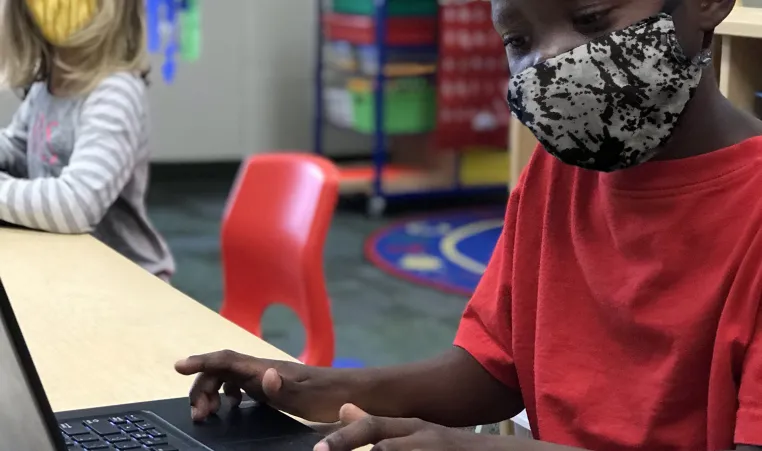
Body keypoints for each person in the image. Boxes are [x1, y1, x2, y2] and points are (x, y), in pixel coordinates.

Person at [175, 0, 762, 450]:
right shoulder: (557, 174)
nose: (550, 61)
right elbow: (492, 369)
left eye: (589, 16)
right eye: (518, 39)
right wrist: (315, 389)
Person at [0, 0, 175, 281]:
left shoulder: (116, 93)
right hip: (68, 267)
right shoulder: (48, 86)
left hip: (126, 284)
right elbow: (17, 149)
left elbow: (76, 205)